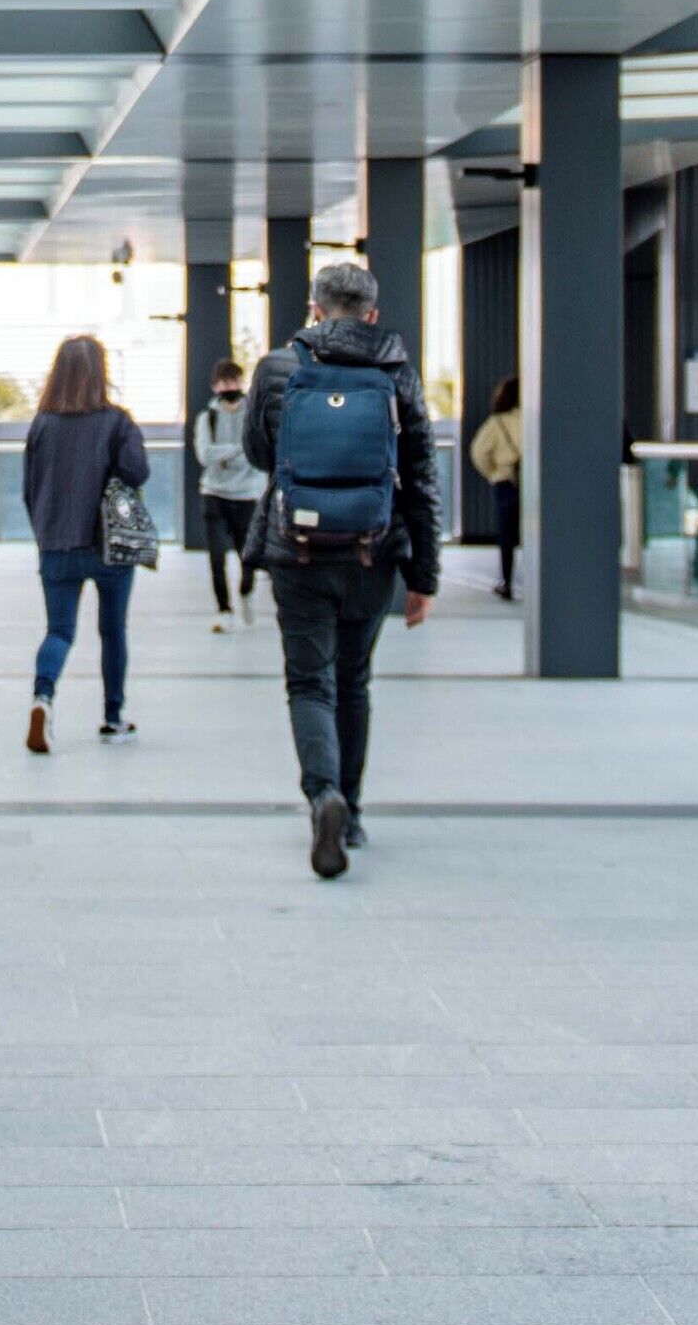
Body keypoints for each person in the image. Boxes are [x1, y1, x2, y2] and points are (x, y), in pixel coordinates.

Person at [243, 257, 443, 881]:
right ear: (373, 315)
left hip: (297, 551)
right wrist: (424, 577)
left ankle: (322, 794)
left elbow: (257, 452)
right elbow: (422, 480)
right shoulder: (397, 373)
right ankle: (350, 813)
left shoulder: (280, 368)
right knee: (353, 681)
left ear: (314, 308)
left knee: (309, 683)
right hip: (372, 550)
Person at [20, 334, 150, 752]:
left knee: (59, 631)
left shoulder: (42, 423)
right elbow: (137, 472)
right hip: (107, 544)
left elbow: (29, 489)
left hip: (56, 543)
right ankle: (113, 718)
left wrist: (45, 533)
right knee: (113, 631)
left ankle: (43, 698)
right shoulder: (117, 421)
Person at [189, 354, 265, 629]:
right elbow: (204, 454)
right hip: (214, 494)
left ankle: (246, 592)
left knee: (249, 553)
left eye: (233, 380)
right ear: (215, 387)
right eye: (223, 382)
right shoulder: (206, 418)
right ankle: (224, 609)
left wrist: (225, 455)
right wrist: (237, 450)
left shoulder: (254, 415)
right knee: (216, 554)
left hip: (248, 494)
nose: (229, 387)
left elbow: (257, 452)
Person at [466, 375, 524, 601]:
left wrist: (494, 472)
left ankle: (507, 582)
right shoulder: (536, 419)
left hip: (506, 482)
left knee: (507, 535)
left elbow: (479, 452)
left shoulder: (497, 423)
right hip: (533, 484)